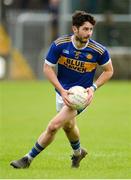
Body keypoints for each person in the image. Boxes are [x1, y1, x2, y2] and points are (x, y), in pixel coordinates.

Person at [10, 10, 113, 169]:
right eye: (85, 29)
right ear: (75, 29)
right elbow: (47, 68)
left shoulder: (98, 50)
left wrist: (93, 88)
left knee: (53, 126)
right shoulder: (60, 44)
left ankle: (27, 159)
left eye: (91, 29)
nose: (89, 33)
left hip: (80, 97)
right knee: (69, 126)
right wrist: (62, 90)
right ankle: (78, 153)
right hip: (62, 93)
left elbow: (109, 70)